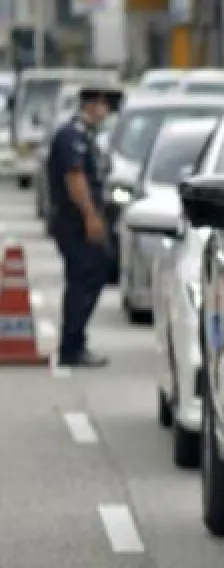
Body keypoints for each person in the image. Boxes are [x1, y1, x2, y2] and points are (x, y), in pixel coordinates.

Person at [45, 85, 114, 368]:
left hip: (82, 220)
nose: (106, 110)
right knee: (82, 280)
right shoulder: (71, 136)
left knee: (94, 276)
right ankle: (71, 347)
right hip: (74, 222)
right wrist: (90, 216)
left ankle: (74, 342)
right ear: (93, 104)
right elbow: (75, 178)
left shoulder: (86, 135)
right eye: (104, 104)